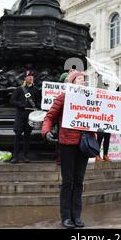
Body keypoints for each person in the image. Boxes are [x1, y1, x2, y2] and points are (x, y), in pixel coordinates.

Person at [42, 70, 91, 229]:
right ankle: (66, 217)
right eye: (79, 79)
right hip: (67, 144)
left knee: (79, 181)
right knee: (68, 181)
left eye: (84, 79)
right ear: (71, 82)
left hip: (83, 145)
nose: (82, 82)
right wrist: (46, 131)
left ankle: (76, 216)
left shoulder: (90, 99)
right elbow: (50, 116)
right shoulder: (64, 97)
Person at [10, 70, 42, 163]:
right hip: (20, 115)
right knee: (18, 135)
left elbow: (39, 102)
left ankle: (25, 156)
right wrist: (21, 104)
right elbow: (12, 101)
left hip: (30, 115)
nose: (30, 78)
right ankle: (15, 156)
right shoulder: (19, 89)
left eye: (32, 76)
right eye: (28, 76)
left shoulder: (36, 90)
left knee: (27, 137)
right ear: (25, 78)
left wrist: (38, 107)